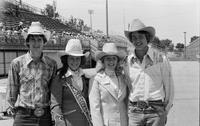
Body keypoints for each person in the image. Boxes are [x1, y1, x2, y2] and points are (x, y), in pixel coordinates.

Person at [124, 19, 174, 126]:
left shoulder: (160, 59)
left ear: (147, 38)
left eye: (140, 37)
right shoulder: (127, 61)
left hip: (156, 111)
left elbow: (169, 86)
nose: (137, 40)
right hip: (134, 111)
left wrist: (165, 110)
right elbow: (128, 86)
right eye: (134, 38)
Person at [6, 21, 57, 126]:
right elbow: (12, 91)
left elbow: (53, 92)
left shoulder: (52, 64)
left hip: (45, 115)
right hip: (23, 115)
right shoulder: (17, 63)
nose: (36, 43)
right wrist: (10, 107)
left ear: (44, 42)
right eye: (32, 39)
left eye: (39, 40)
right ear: (28, 42)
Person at [50, 39, 92, 126]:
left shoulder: (84, 76)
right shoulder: (59, 78)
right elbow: (55, 106)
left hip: (84, 122)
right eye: (72, 58)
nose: (75, 62)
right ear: (66, 59)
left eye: (77, 59)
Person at [89, 42, 129, 126]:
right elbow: (95, 108)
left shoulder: (123, 77)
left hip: (124, 122)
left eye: (114, 58)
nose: (111, 61)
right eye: (108, 58)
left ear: (117, 60)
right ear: (103, 61)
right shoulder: (96, 79)